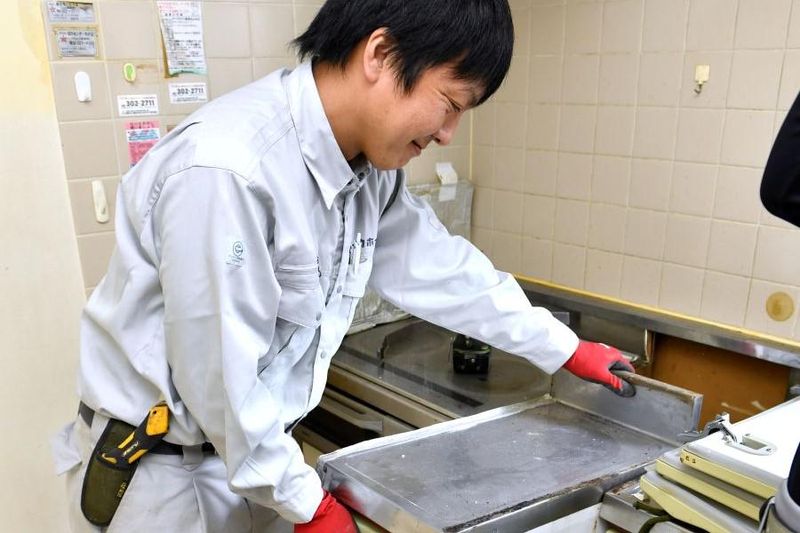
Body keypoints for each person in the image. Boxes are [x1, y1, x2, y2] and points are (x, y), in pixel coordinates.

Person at [51, 1, 635, 531]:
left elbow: (442, 268)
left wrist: (562, 347)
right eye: (450, 104)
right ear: (380, 54)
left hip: (255, 463)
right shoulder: (228, 171)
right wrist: (309, 503)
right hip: (162, 481)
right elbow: (218, 379)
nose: (447, 133)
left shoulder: (367, 173)